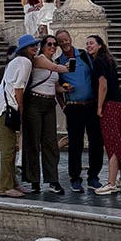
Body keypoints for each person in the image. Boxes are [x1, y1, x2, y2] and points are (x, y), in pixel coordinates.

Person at [53, 28, 104, 192]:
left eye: (65, 39)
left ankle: (93, 176)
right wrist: (63, 105)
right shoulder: (57, 63)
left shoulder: (84, 55)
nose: (64, 43)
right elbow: (56, 87)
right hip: (73, 107)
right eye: (60, 41)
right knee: (75, 144)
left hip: (90, 105)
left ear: (70, 39)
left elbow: (96, 76)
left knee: (96, 141)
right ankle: (75, 178)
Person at [22, 36, 70, 196]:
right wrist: (69, 67)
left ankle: (52, 180)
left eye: (55, 44)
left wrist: (66, 89)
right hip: (34, 102)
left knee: (50, 142)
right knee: (33, 141)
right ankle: (34, 181)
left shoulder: (53, 63)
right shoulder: (39, 59)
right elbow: (56, 69)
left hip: (49, 104)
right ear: (43, 46)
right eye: (49, 44)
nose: (53, 46)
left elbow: (55, 86)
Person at [88, 35, 121, 195]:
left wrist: (100, 107)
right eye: (87, 44)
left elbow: (103, 85)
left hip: (110, 106)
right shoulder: (108, 60)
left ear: (100, 45)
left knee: (112, 144)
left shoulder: (99, 61)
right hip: (120, 105)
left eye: (91, 43)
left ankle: (110, 183)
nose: (88, 46)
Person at [0, 37, 33, 197]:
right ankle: (4, 186)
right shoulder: (25, 62)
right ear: (24, 49)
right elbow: (18, 89)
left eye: (35, 46)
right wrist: (21, 110)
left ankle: (13, 182)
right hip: (6, 107)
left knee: (11, 148)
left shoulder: (17, 61)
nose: (34, 49)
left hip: (2, 105)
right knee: (8, 149)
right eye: (31, 47)